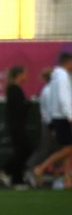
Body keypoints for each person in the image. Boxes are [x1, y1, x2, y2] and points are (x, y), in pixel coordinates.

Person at [31, 52, 72, 189]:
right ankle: (41, 168)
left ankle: (66, 179)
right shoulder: (62, 77)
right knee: (67, 149)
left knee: (67, 149)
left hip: (58, 117)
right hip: (63, 117)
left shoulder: (57, 77)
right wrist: (69, 115)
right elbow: (63, 98)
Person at [0, 65, 32, 188]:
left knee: (23, 151)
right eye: (24, 74)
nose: (26, 77)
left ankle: (17, 178)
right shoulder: (14, 89)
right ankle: (8, 171)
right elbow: (18, 109)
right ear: (19, 75)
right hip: (17, 126)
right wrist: (28, 104)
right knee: (24, 151)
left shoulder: (14, 89)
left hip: (17, 125)